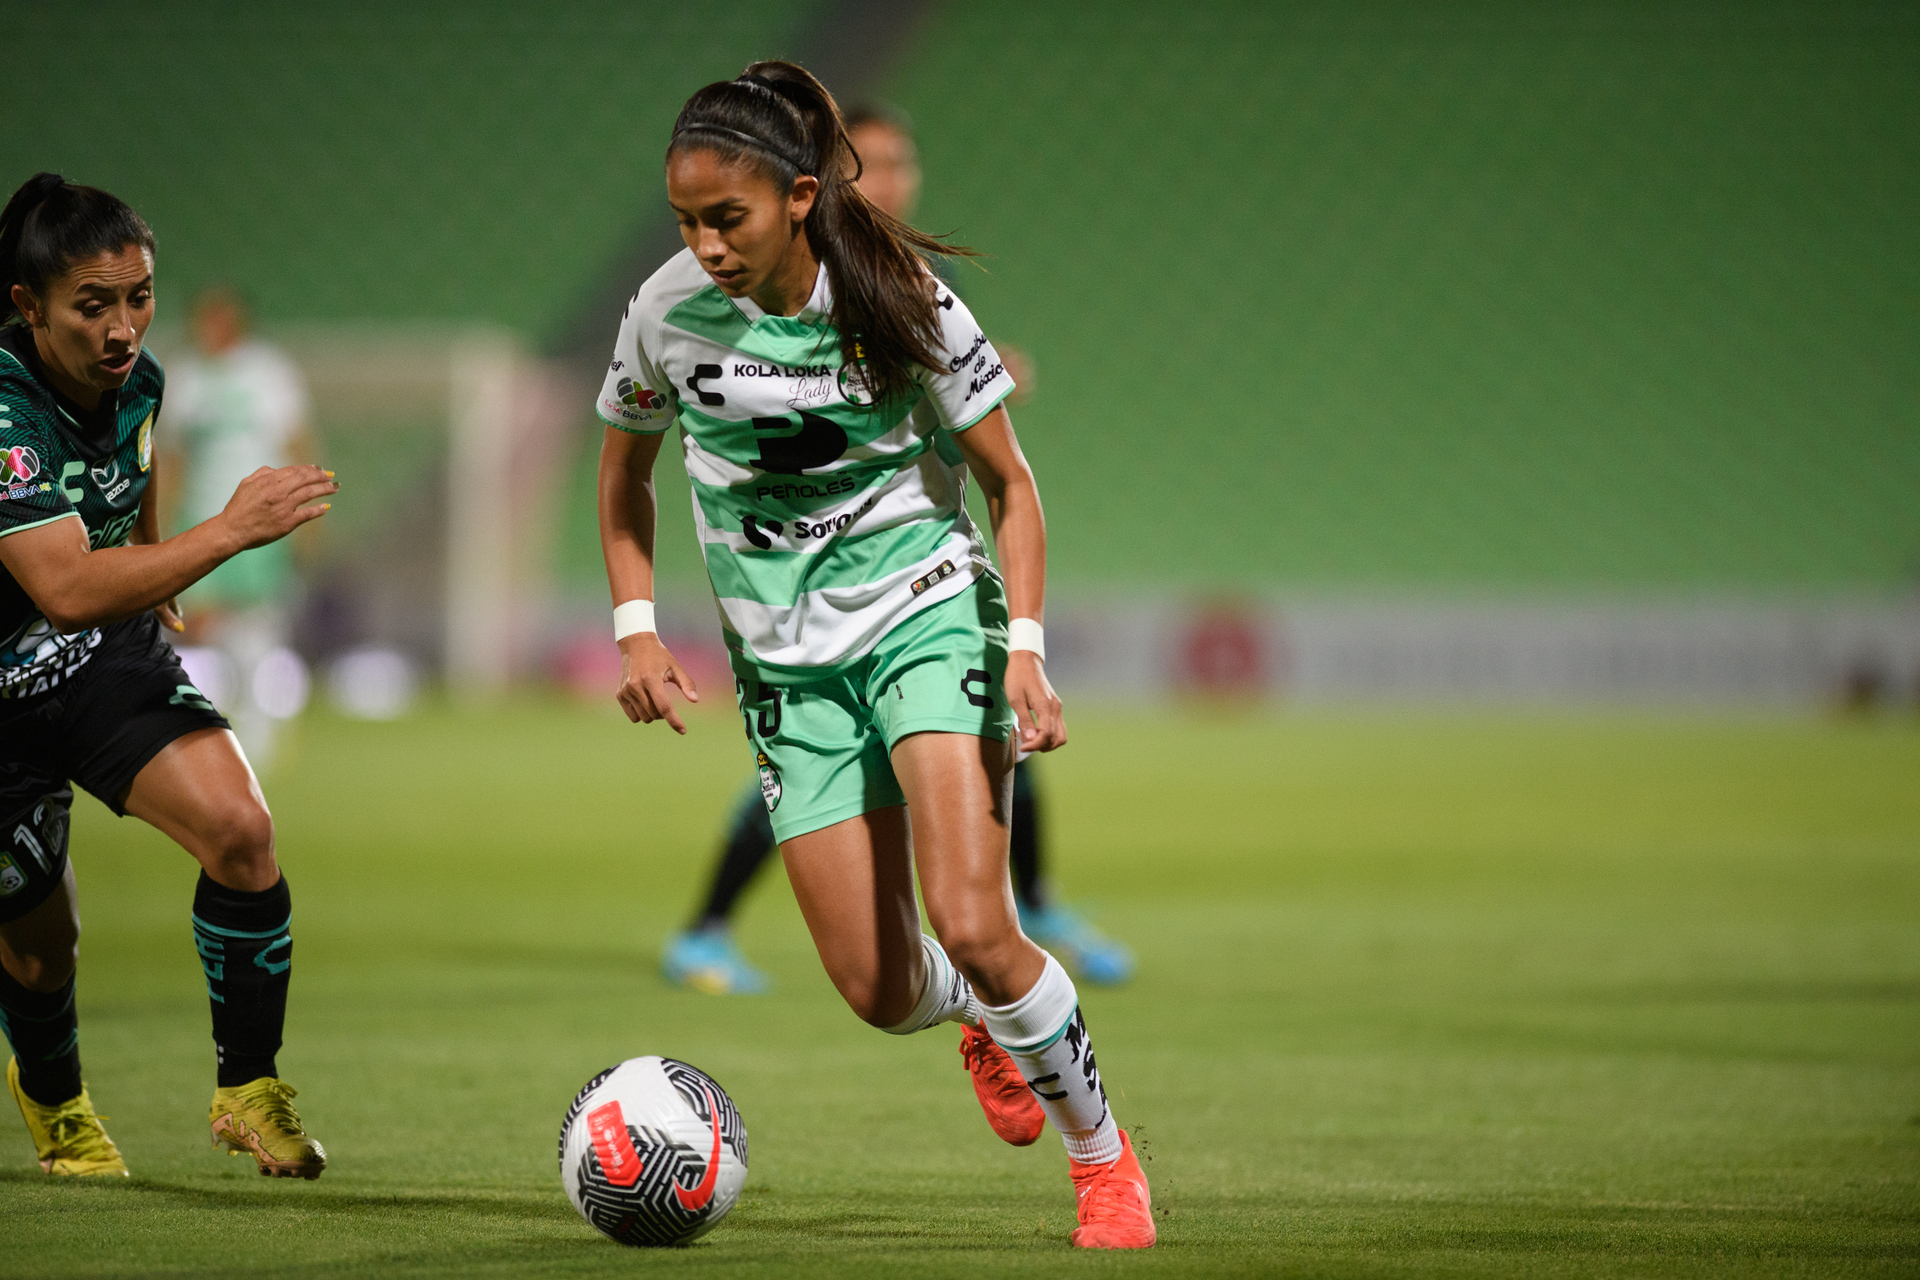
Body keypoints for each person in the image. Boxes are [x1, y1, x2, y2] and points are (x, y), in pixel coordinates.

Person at [596, 63, 1154, 1249]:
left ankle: (1104, 1160)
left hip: (923, 613)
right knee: (876, 987)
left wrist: (1025, 649)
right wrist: (635, 625)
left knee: (975, 918)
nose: (705, 245)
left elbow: (1011, 484)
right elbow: (622, 478)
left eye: (727, 218)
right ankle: (980, 1017)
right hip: (784, 668)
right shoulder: (663, 313)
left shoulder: (900, 296)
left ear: (800, 196)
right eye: (686, 221)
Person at [660, 103, 1134, 997]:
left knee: (995, 736)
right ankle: (709, 925)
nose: (890, 179)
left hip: (916, 587)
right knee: (831, 779)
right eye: (869, 162)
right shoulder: (756, 294)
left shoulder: (905, 282)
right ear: (812, 187)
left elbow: (950, 436)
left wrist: (977, 384)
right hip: (808, 608)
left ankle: (1024, 917)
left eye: (900, 161)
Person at [0, 173, 335, 1178]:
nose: (122, 328)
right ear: (28, 306)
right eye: (91, 305)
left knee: (241, 830)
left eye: (138, 297)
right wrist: (223, 533)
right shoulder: (4, 409)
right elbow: (63, 586)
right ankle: (57, 1101)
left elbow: (131, 479)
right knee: (41, 944)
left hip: (101, 658)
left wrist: (154, 568)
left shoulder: (140, 379)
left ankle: (248, 1089)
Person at [160, 285, 315, 774]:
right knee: (199, 624)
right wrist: (161, 520)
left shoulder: (268, 373)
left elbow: (295, 440)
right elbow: (173, 457)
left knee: (256, 621)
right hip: (201, 516)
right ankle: (201, 729)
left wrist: (305, 510)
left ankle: (258, 732)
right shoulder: (184, 378)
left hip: (261, 517)